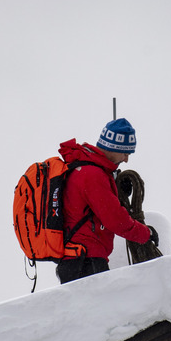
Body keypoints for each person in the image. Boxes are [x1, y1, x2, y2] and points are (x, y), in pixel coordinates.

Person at [56, 118, 159, 283]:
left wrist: (115, 190)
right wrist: (146, 233)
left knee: (88, 308)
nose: (126, 159)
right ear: (112, 147)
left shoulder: (84, 169)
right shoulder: (92, 174)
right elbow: (116, 220)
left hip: (75, 259)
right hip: (86, 260)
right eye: (125, 153)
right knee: (98, 308)